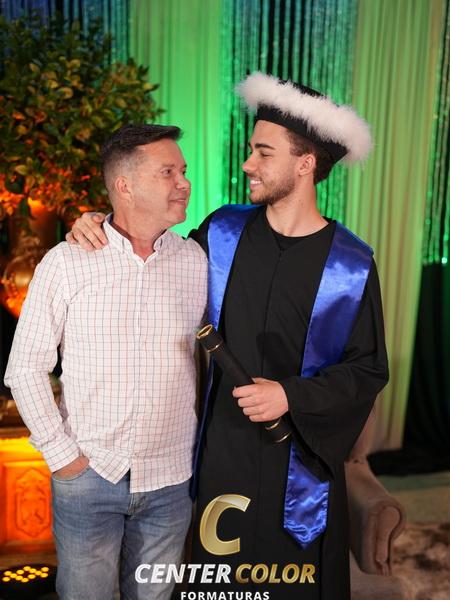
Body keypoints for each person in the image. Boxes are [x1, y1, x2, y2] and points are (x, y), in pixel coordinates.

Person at [67, 73, 389, 599]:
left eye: (263, 152)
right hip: (224, 460)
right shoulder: (222, 233)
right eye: (251, 150)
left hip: (300, 466)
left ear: (305, 163)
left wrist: (290, 395)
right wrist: (99, 221)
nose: (247, 164)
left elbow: (368, 369)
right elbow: (150, 256)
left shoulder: (351, 265)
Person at [5, 124, 208, 600]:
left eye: (183, 171)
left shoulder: (196, 262)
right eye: (168, 172)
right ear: (125, 185)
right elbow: (25, 367)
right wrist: (64, 458)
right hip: (89, 475)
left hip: (172, 479)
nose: (184, 183)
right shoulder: (67, 262)